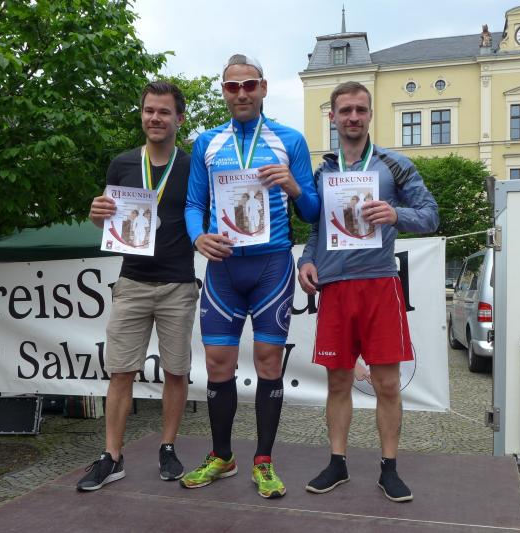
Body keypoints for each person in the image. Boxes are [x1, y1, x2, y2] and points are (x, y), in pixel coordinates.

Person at [182, 54, 320, 499]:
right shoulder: (207, 142)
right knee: (217, 364)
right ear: (224, 92)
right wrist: (198, 237)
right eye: (232, 86)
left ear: (263, 88)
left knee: (267, 362)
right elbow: (193, 204)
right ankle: (222, 456)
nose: (241, 93)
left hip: (271, 267)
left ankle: (263, 460)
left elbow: (312, 211)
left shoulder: (289, 140)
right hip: (223, 268)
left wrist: (294, 186)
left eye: (249, 84)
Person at [297, 81, 438, 502]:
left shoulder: (394, 165)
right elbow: (316, 229)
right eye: (345, 111)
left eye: (360, 109)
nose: (353, 117)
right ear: (333, 117)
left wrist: (395, 214)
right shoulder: (324, 172)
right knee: (338, 382)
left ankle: (389, 468)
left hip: (379, 284)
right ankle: (337, 463)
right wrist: (306, 260)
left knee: (387, 384)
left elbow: (430, 215)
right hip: (336, 289)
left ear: (370, 114)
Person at [77, 81, 198, 491]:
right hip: (132, 281)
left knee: (176, 371)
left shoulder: (192, 167)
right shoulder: (122, 164)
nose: (155, 118)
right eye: (149, 111)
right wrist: (96, 215)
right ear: (142, 114)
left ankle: (168, 446)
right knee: (120, 372)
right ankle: (112, 456)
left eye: (164, 112)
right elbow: (108, 222)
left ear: (179, 119)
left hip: (178, 283)